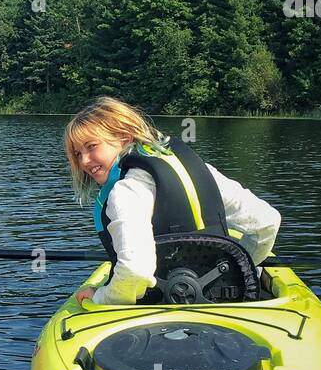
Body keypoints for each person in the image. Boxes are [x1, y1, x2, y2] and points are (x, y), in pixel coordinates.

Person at [64, 96, 280, 305]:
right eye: (78, 153)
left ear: (124, 138)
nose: (84, 161)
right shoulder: (199, 170)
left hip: (156, 308)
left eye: (91, 146)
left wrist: (102, 296)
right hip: (225, 299)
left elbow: (135, 270)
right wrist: (240, 266)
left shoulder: (126, 191)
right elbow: (267, 222)